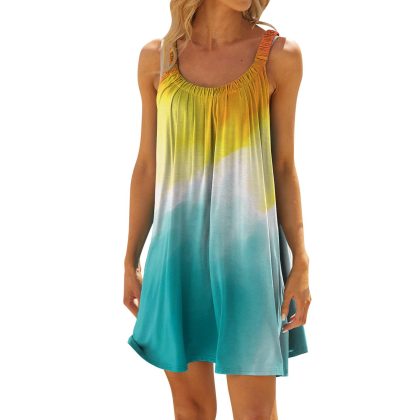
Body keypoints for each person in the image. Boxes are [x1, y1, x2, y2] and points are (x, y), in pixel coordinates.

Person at [123, 1, 311, 418]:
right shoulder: (158, 59)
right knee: (190, 409)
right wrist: (130, 258)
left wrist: (300, 260)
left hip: (249, 264)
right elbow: (147, 166)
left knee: (256, 413)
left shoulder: (279, 58)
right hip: (177, 258)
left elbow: (283, 167)